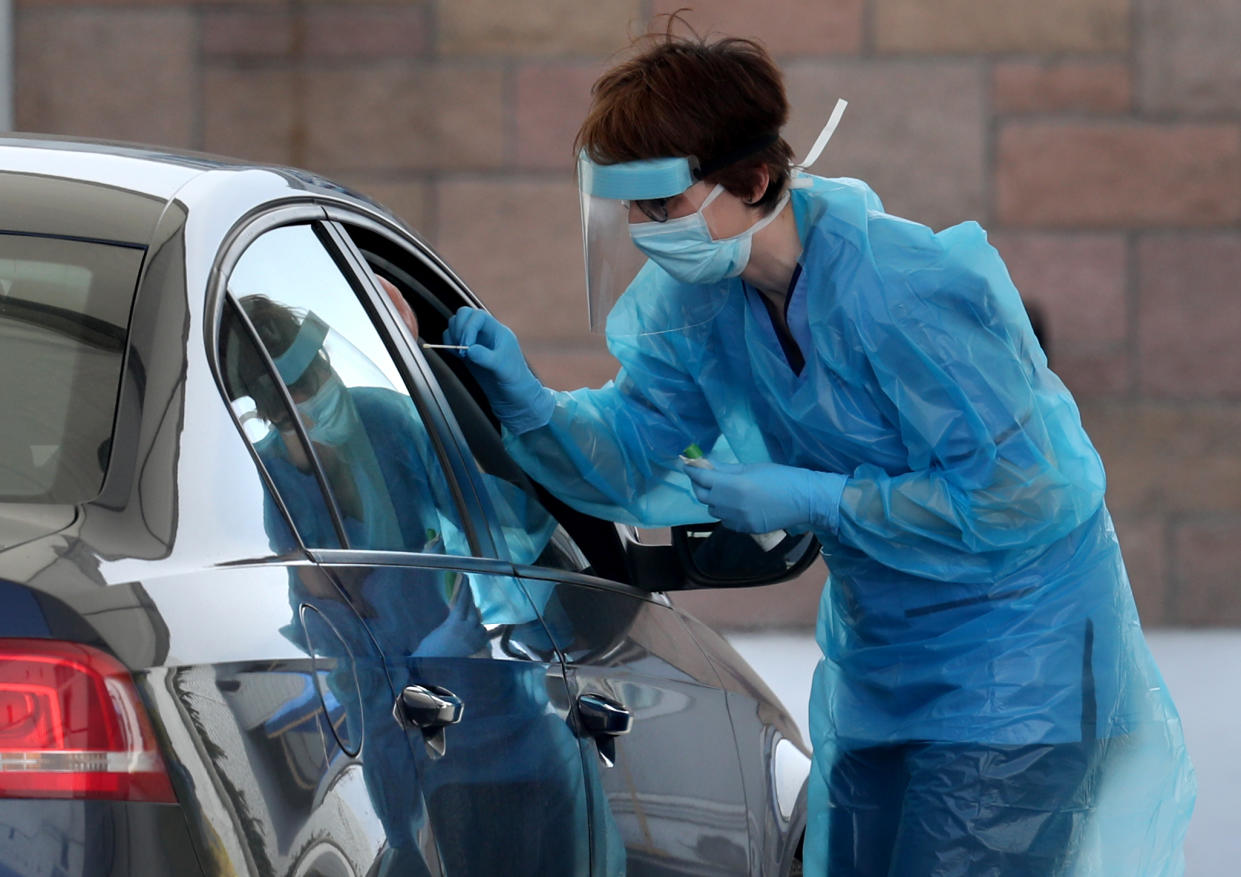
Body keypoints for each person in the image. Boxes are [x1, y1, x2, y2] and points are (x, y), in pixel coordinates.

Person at [442, 24, 1196, 877]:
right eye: (626, 208)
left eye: (661, 205)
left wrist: (819, 499)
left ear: (754, 179)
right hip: (881, 664)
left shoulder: (910, 290)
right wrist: (529, 404)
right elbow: (630, 449)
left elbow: (1024, 492)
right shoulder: (700, 303)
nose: (641, 230)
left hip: (1018, 665)